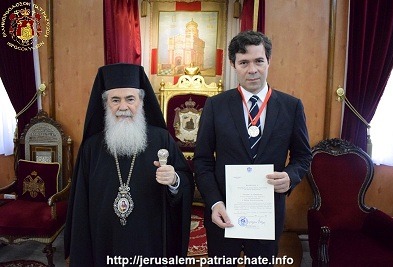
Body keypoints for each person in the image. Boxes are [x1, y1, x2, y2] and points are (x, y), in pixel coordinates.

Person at [193, 31, 312, 266]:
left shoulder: (291, 107)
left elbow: (303, 156)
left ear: (268, 61)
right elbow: (202, 161)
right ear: (233, 65)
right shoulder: (215, 106)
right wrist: (215, 203)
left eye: (259, 61)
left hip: (266, 215)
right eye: (244, 62)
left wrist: (290, 176)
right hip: (223, 214)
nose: (252, 69)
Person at [64, 63, 194, 266]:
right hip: (104, 242)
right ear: (106, 103)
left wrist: (174, 180)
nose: (123, 107)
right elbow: (80, 202)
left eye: (130, 99)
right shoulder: (91, 147)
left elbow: (185, 180)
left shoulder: (161, 139)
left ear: (141, 102)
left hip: (149, 241)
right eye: (115, 100)